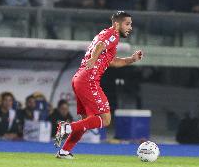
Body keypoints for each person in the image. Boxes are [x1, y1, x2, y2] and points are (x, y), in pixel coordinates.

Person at [54, 11, 144, 159]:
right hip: (89, 79)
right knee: (105, 119)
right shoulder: (113, 35)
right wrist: (93, 60)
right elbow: (100, 46)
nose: (130, 27)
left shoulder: (104, 34)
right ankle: (66, 127)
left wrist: (131, 59)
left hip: (79, 78)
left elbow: (113, 62)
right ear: (117, 24)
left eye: (131, 24)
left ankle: (64, 151)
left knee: (87, 122)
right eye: (127, 24)